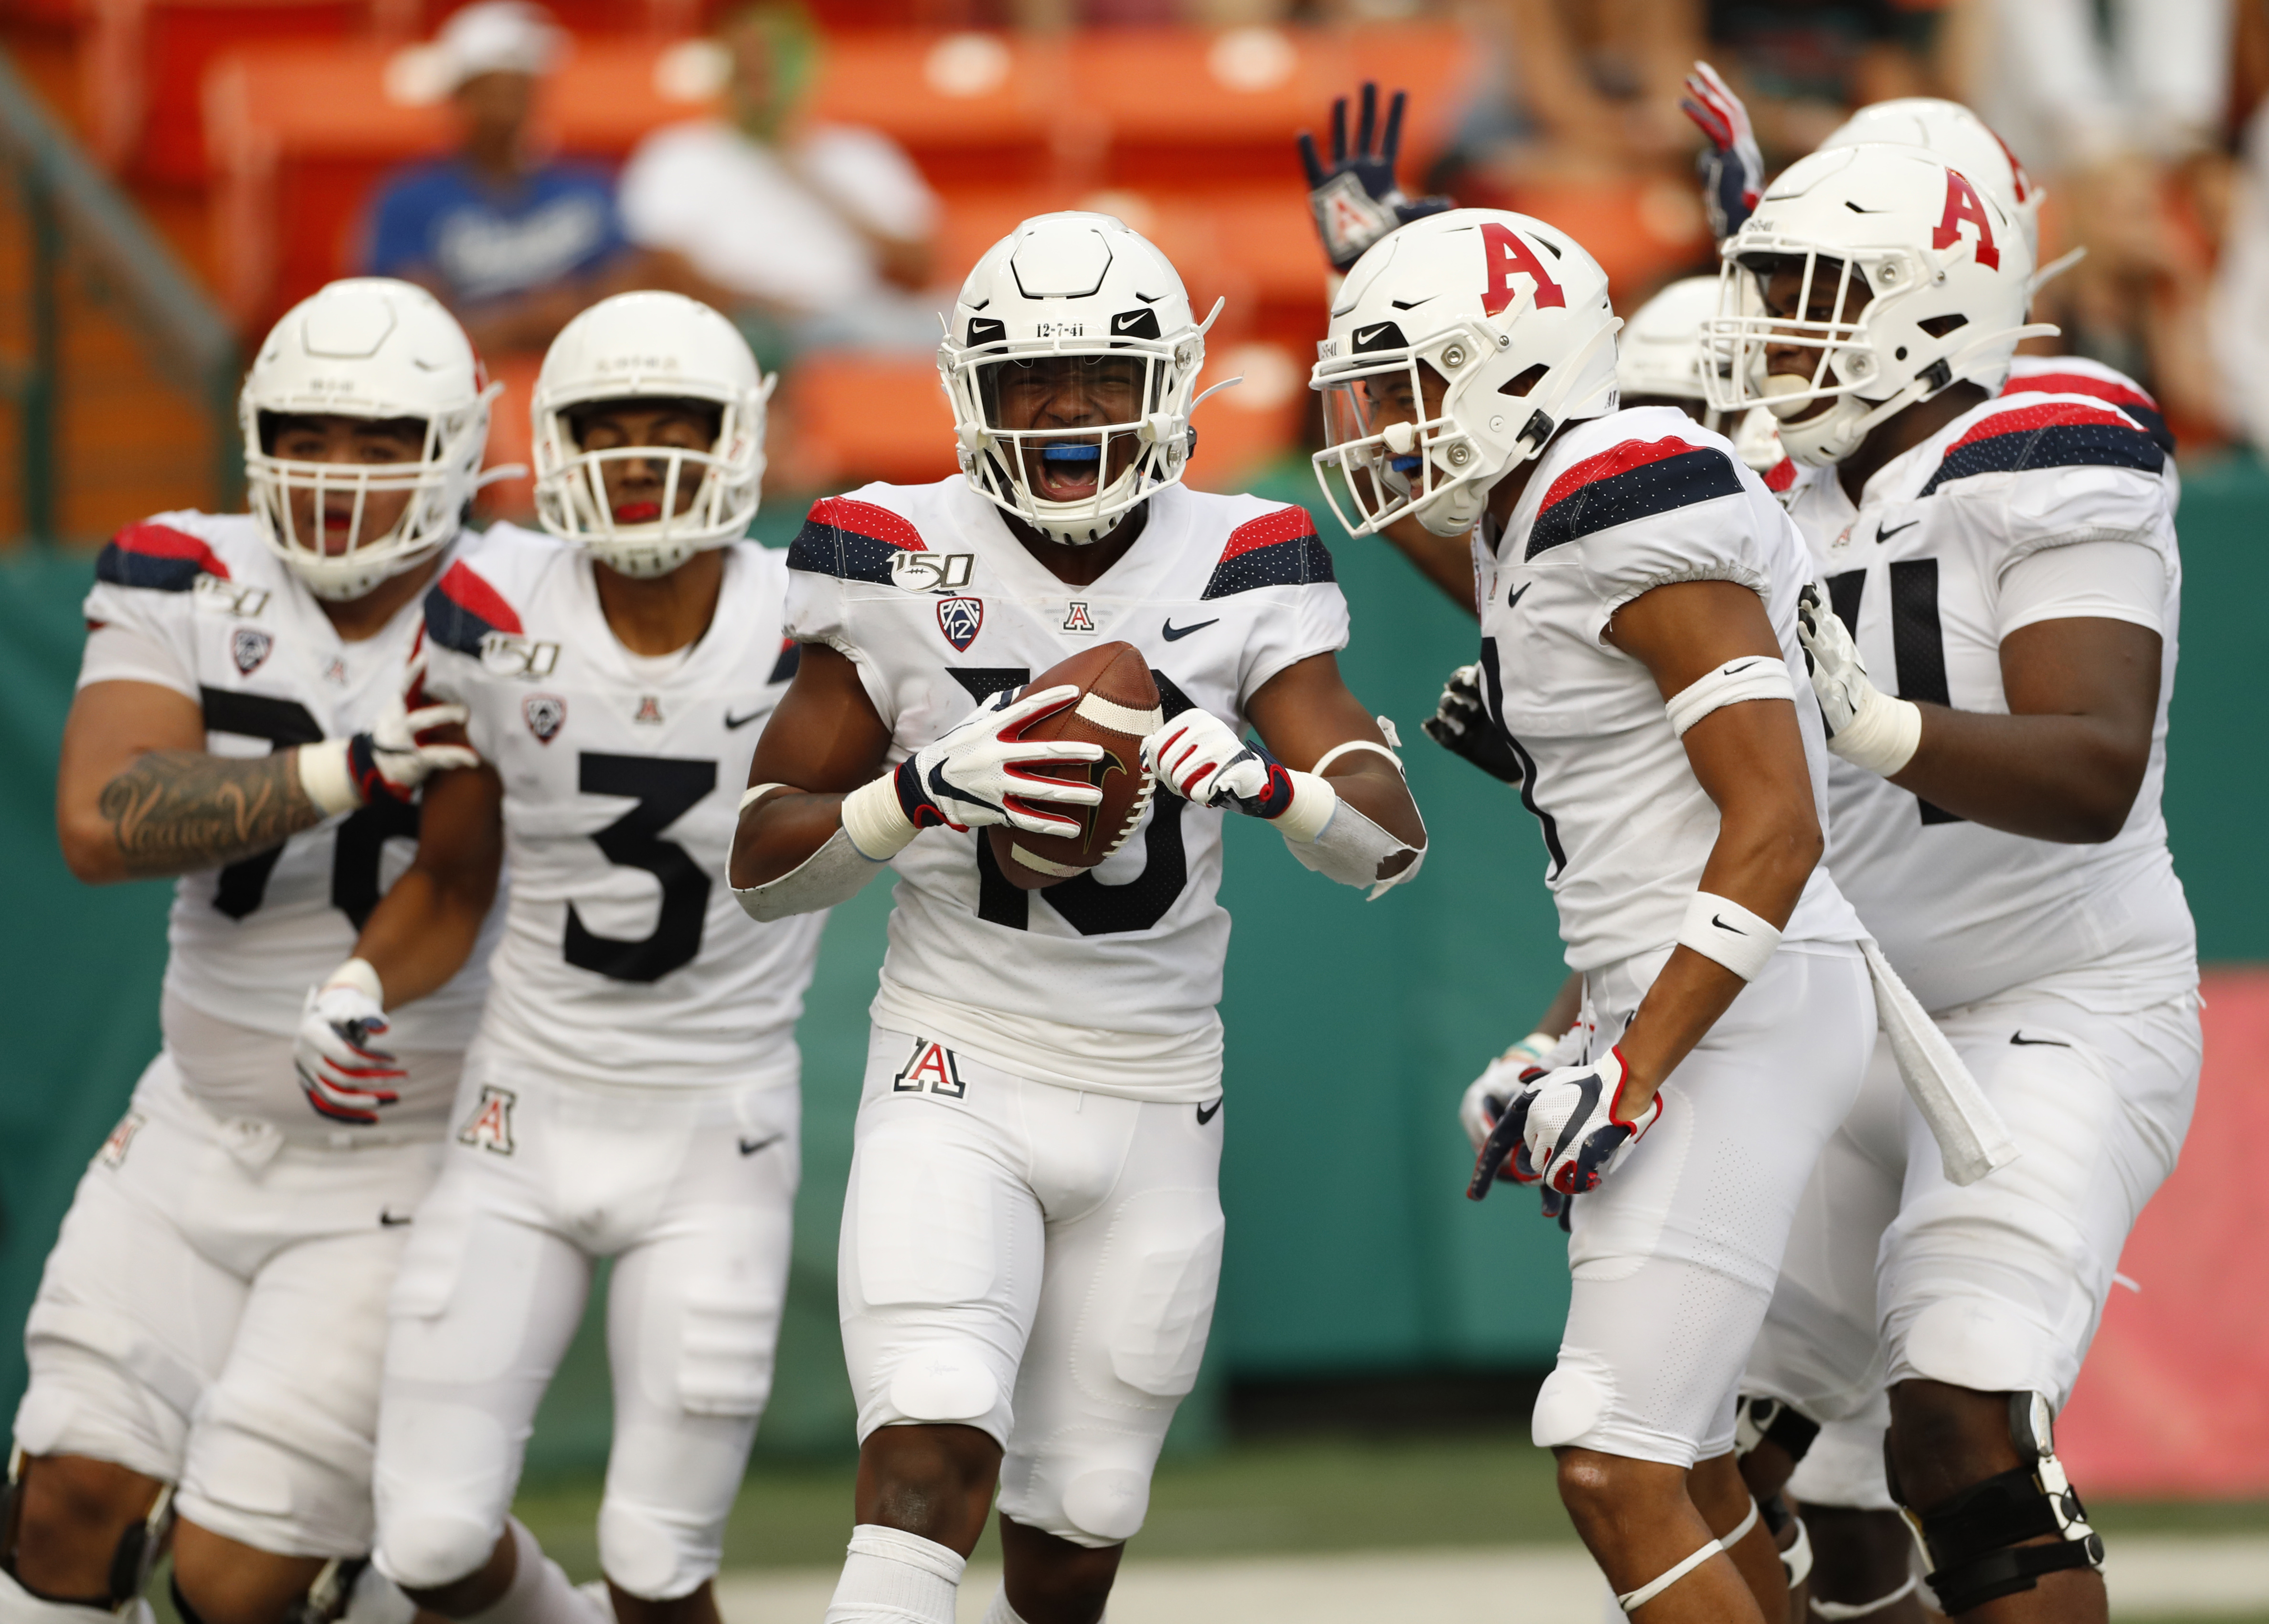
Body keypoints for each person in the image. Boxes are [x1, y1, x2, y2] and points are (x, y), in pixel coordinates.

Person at [728, 211, 1427, 1624]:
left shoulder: (1247, 551)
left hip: (1156, 1092)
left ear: (1167, 384)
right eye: (1031, 378)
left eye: (1103, 376)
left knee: (1081, 1532)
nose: (1066, 411)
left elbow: (1387, 841)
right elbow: (762, 859)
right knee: (928, 1443)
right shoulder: (894, 549)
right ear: (970, 394)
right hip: (956, 1061)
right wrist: (915, 792)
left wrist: (1275, 788)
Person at [1312, 204, 1878, 1623]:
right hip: (1687, 996)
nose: (1385, 423)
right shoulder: (1545, 511)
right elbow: (1508, 590)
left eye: (1414, 381)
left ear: (1518, 368)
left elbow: (1777, 824)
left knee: (1610, 1452)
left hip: (1736, 1003)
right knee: (1683, 1461)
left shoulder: (1620, 488)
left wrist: (1632, 1065)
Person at [1702, 137, 2196, 1622]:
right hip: (1843, 1024)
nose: (1775, 329)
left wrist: (1876, 727)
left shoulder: (2048, 440)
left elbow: (2092, 767)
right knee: (1678, 1453)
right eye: (1769, 290)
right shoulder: (1774, 494)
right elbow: (1533, 562)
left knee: (1960, 1424)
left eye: (1815, 292)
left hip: (2052, 1007)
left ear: (1932, 303)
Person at [291, 292, 821, 1624]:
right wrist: (358, 983)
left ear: (740, 437)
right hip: (523, 1112)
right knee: (425, 1539)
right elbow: (455, 876)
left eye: (676, 424)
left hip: (719, 1128)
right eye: (610, 425)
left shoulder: (819, 611)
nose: (642, 454)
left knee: (657, 1557)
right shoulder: (492, 599)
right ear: (558, 442)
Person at [16, 278, 495, 1624]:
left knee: (238, 1579)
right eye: (308, 431)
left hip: (402, 1154)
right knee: (62, 1509)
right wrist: (348, 769)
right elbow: (102, 819)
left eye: (381, 438)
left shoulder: (511, 604)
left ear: (455, 442)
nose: (337, 472)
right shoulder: (184, 567)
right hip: (192, 1128)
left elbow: (463, 885)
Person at [617, 2, 939, 357]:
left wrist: (809, 176)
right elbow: (665, 269)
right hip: (747, 326)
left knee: (961, 326)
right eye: (747, 67)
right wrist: (769, 307)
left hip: (862, 321)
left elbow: (920, 268)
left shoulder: (862, 152)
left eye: (772, 65)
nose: (761, 80)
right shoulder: (677, 154)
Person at [362, 4, 635, 358]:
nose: (511, 106)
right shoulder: (408, 198)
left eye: (522, 88)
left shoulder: (588, 185)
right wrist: (529, 321)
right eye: (496, 90)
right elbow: (414, 327)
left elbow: (630, 295)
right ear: (460, 96)